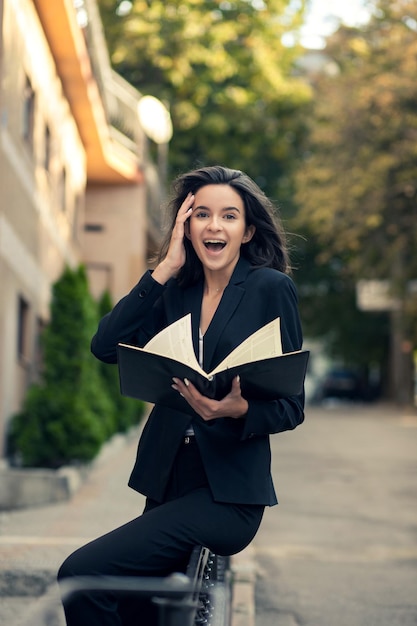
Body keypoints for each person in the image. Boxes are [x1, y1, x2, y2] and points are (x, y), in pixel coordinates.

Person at [58, 165, 305, 625]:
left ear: (248, 230)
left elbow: (292, 406)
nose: (215, 226)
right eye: (202, 215)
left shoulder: (272, 289)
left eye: (229, 216)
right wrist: (164, 269)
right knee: (137, 608)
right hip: (166, 480)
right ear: (185, 226)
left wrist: (240, 408)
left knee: (82, 574)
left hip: (227, 495)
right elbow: (105, 346)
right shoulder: (176, 290)